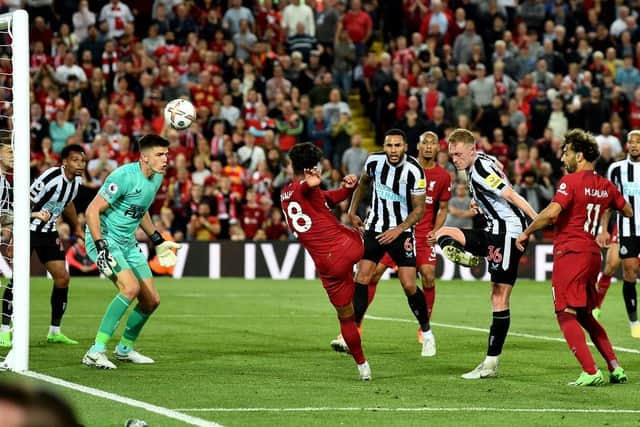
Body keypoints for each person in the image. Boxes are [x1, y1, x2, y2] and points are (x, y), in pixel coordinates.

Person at [516, 128, 632, 386]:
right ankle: (615, 367)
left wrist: (526, 231)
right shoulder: (605, 185)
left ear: (579, 156)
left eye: (566, 153)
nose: (562, 158)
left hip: (570, 252)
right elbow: (627, 210)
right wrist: (603, 217)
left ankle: (591, 372)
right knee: (585, 315)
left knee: (564, 312)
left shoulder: (570, 181)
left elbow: (551, 212)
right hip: (592, 255)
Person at [434, 128, 537, 379]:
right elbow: (499, 165)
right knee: (441, 233)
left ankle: (490, 365)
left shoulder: (479, 169)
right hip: (494, 231)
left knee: (500, 298)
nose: (454, 159)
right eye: (451, 155)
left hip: (507, 234)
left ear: (472, 149)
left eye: (458, 154)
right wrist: (479, 202)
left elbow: (511, 194)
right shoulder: (483, 162)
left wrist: (537, 221)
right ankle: (467, 258)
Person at [334, 131, 451, 348]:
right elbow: (363, 183)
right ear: (384, 146)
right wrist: (352, 210)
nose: (393, 150)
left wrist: (400, 229)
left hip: (403, 232)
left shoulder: (415, 171)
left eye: (398, 146)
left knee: (409, 284)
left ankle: (425, 331)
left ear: (405, 147)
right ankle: (350, 333)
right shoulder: (374, 161)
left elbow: (419, 210)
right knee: (363, 277)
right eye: (389, 146)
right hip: (376, 229)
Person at [82, 134, 181, 369]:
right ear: (144, 157)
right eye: (159, 155)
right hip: (104, 240)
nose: (165, 159)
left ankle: (124, 349)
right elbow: (91, 211)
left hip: (127, 243)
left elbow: (140, 209)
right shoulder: (123, 176)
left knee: (151, 301)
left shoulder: (156, 178)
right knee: (130, 288)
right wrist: (101, 245)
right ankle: (95, 351)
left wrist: (157, 239)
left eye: (166, 154)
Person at [280, 142, 370, 381]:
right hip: (346, 245)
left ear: (292, 165)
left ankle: (363, 366)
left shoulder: (285, 193)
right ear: (313, 167)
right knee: (378, 235)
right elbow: (308, 187)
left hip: (327, 266)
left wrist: (347, 189)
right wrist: (312, 182)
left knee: (346, 317)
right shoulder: (303, 187)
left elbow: (327, 197)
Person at [1, 144, 87, 348]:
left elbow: (68, 203)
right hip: (28, 229)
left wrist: (76, 226)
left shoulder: (76, 182)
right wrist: (15, 235)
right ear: (64, 162)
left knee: (62, 278)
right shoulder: (50, 177)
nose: (80, 164)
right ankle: (4, 331)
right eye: (75, 160)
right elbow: (25, 201)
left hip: (48, 232)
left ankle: (54, 331)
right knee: (19, 279)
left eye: (83, 161)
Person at [604, 130, 640, 338]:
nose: (634, 145)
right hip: (628, 229)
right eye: (631, 142)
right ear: (626, 145)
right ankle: (634, 321)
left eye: (638, 142)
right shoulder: (616, 169)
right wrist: (604, 229)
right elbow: (609, 202)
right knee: (629, 272)